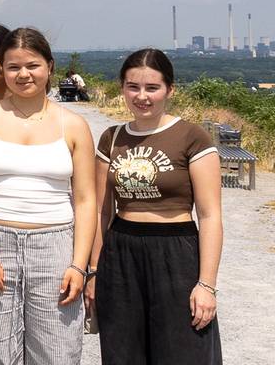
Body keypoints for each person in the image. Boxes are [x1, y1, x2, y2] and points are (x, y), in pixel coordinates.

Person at [0, 28, 99, 365]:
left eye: (32, 65)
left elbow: (86, 199)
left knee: (56, 350)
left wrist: (80, 264)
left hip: (55, 244)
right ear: (3, 70)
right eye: (13, 67)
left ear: (49, 66)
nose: (23, 74)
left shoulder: (73, 125)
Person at [87, 49, 223, 365]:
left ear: (169, 90)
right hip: (122, 252)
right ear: (122, 88)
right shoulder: (112, 137)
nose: (142, 96)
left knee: (183, 350)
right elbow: (99, 210)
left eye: (152, 88)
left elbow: (210, 214)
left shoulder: (191, 137)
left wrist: (207, 284)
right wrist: (94, 270)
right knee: (123, 352)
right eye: (133, 87)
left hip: (177, 251)